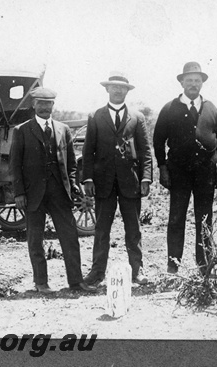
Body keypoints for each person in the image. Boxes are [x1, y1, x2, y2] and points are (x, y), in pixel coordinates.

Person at [9, 87, 97, 294]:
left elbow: (71, 163)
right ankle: (41, 283)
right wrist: (19, 193)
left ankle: (76, 282)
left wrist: (72, 184)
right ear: (33, 105)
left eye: (48, 103)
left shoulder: (63, 129)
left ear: (53, 105)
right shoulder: (22, 130)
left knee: (70, 238)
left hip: (59, 193)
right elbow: (15, 165)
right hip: (33, 194)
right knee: (35, 240)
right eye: (41, 103)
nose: (45, 107)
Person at [153, 61, 217, 275]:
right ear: (182, 83)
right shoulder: (169, 108)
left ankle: (205, 266)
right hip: (179, 172)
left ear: (202, 83)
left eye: (197, 80)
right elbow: (158, 141)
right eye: (189, 80)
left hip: (205, 172)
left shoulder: (211, 108)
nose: (193, 84)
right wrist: (163, 168)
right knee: (176, 218)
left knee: (204, 219)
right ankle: (173, 265)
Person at [81, 72, 153, 286]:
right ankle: (97, 273)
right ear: (107, 89)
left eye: (122, 87)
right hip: (103, 183)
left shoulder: (137, 117)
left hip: (130, 182)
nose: (118, 90)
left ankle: (137, 270)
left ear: (127, 91)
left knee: (133, 229)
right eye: (114, 87)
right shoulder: (95, 116)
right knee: (102, 229)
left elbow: (145, 151)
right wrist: (88, 179)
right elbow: (88, 151)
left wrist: (146, 178)